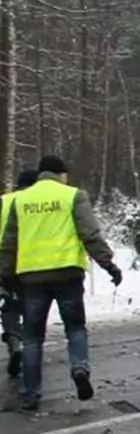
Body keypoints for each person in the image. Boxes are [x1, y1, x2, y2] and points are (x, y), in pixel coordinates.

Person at [0, 155, 122, 412]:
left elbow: (9, 244)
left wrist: (5, 277)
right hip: (67, 274)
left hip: (31, 277)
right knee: (75, 328)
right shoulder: (73, 196)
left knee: (33, 338)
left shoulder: (21, 200)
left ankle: (31, 395)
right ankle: (79, 368)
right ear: (60, 174)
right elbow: (89, 234)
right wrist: (108, 264)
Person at [0, 167, 39, 378]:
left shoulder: (4, 201)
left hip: (5, 263)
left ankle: (14, 342)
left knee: (9, 306)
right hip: (33, 262)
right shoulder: (34, 202)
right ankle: (30, 346)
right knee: (33, 305)